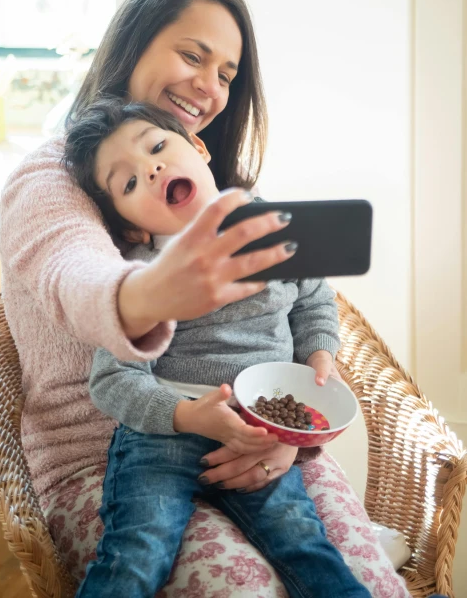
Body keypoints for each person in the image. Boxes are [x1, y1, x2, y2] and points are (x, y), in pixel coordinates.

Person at [0, 0, 411, 596]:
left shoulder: (231, 199)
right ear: (133, 43)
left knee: (361, 580)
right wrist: (155, 291)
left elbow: (309, 307)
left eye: (226, 73)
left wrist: (286, 440)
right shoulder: (60, 179)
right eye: (193, 54)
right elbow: (74, 275)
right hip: (110, 455)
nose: (209, 86)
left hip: (260, 438)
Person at [61, 97, 372, 598]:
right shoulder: (141, 278)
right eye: (130, 182)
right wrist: (188, 416)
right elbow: (113, 380)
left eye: (158, 147)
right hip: (163, 431)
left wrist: (319, 357)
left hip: (259, 430)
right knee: (138, 552)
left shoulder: (271, 231)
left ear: (200, 149)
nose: (152, 166)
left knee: (304, 545)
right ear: (130, 223)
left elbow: (313, 298)